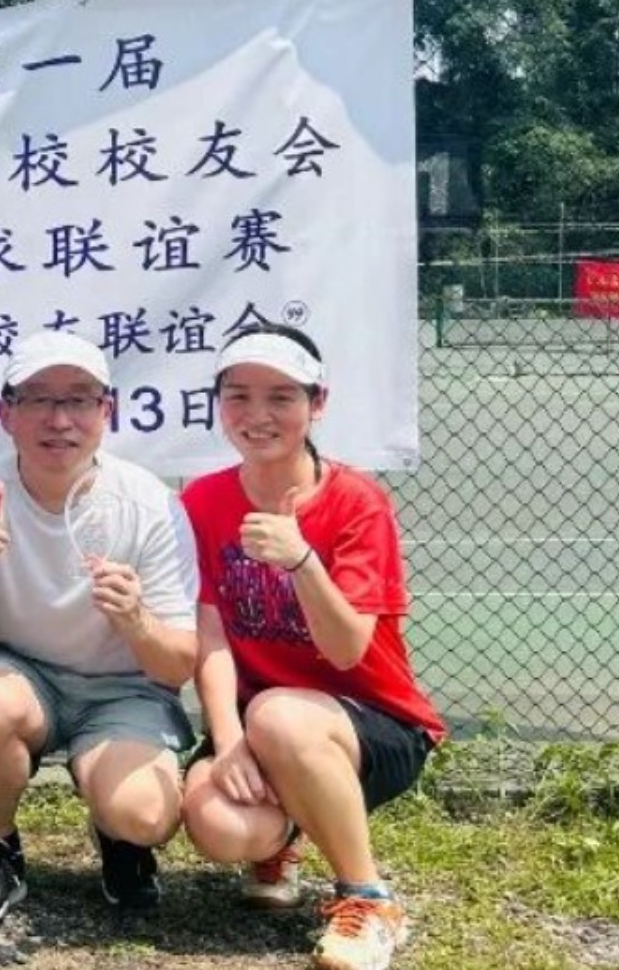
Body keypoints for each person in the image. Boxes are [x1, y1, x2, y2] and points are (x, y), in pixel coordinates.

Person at [0, 330, 200, 926]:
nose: (59, 419)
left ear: (106, 411)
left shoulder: (150, 503)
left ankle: (118, 834)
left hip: (125, 689)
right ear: (7, 413)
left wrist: (136, 620)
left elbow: (177, 662)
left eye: (79, 400)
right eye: (38, 399)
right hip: (22, 673)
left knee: (143, 815)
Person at [178, 326, 447, 970]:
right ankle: (281, 842)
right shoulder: (202, 499)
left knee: (278, 714)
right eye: (238, 396)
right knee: (217, 823)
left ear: (317, 403)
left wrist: (301, 560)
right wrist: (228, 740)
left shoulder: (357, 502)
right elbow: (210, 635)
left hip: (375, 725)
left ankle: (369, 899)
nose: (257, 414)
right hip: (261, 726)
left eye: (281, 397)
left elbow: (347, 649)